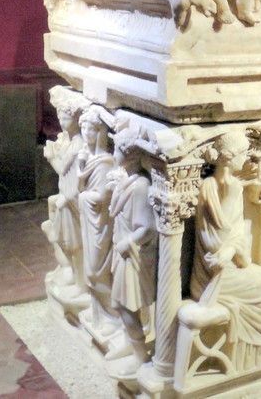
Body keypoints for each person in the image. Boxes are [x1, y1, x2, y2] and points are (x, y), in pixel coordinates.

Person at [189, 131, 261, 370]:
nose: (245, 159)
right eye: (243, 154)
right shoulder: (210, 187)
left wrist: (233, 250)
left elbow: (236, 232)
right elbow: (215, 235)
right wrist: (228, 250)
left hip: (227, 263)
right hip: (211, 274)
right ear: (229, 157)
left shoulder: (233, 185)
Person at [106, 128, 158, 377]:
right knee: (121, 303)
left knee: (125, 305)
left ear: (131, 157)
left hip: (133, 255)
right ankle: (131, 342)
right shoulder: (127, 181)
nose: (113, 153)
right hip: (123, 250)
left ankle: (141, 355)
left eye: (117, 150)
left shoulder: (140, 187)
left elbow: (147, 228)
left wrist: (127, 243)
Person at [78, 106, 117, 335]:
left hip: (100, 223)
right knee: (89, 270)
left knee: (97, 271)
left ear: (100, 132)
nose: (86, 133)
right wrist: (81, 169)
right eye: (83, 128)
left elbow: (102, 196)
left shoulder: (104, 162)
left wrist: (83, 195)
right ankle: (99, 314)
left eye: (91, 129)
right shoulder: (87, 157)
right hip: (89, 220)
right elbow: (80, 187)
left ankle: (114, 316)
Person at [42, 93, 85, 296]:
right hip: (65, 193)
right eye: (59, 117)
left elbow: (66, 171)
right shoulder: (69, 140)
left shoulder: (78, 144)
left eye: (66, 118)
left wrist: (51, 157)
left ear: (76, 119)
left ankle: (80, 283)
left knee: (75, 244)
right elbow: (63, 170)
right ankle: (69, 271)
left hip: (71, 198)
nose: (62, 122)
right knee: (64, 239)